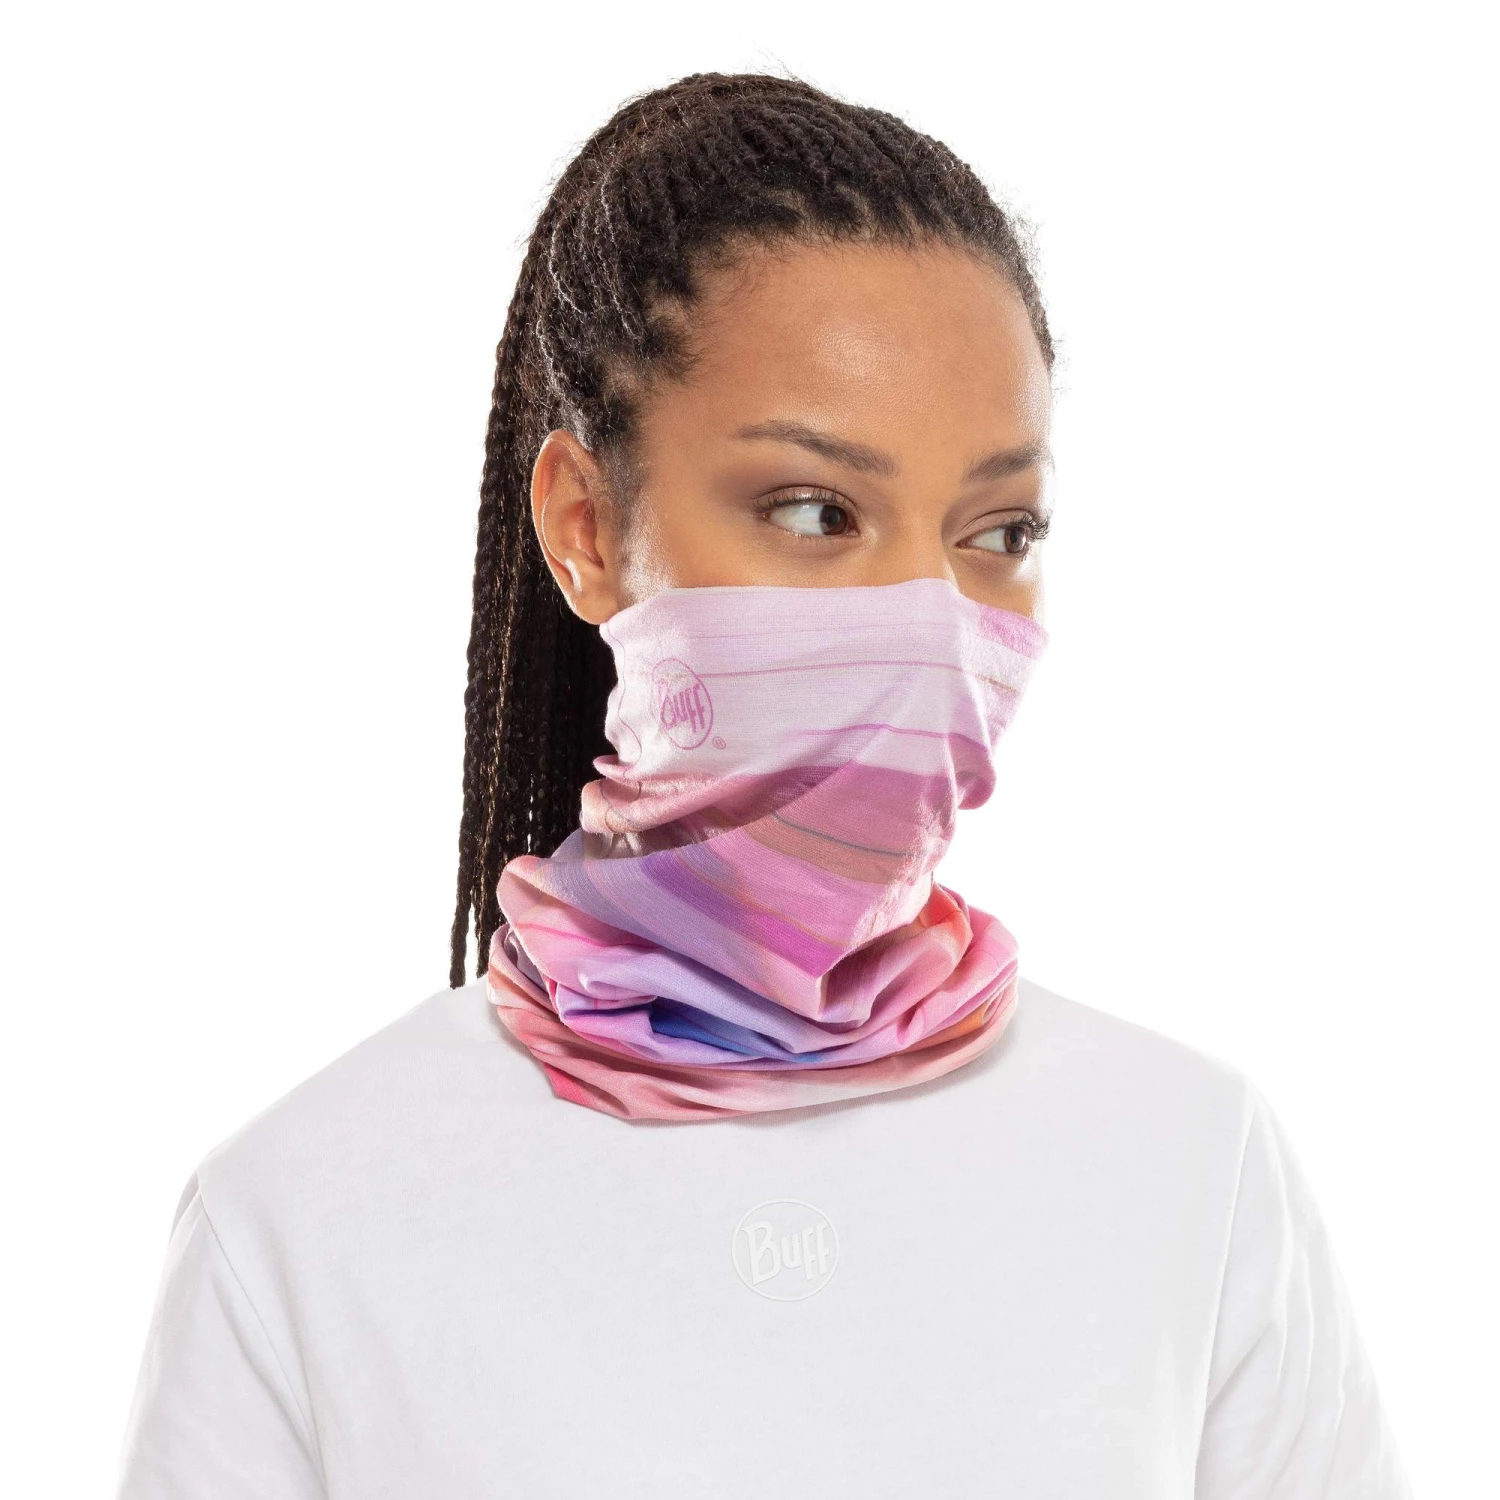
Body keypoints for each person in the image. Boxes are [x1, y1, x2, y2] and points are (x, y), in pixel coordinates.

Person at [114, 71, 1414, 1497]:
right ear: (586, 526)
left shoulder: (1194, 1173)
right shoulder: (301, 1221)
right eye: (813, 511)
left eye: (998, 530)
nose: (929, 620)